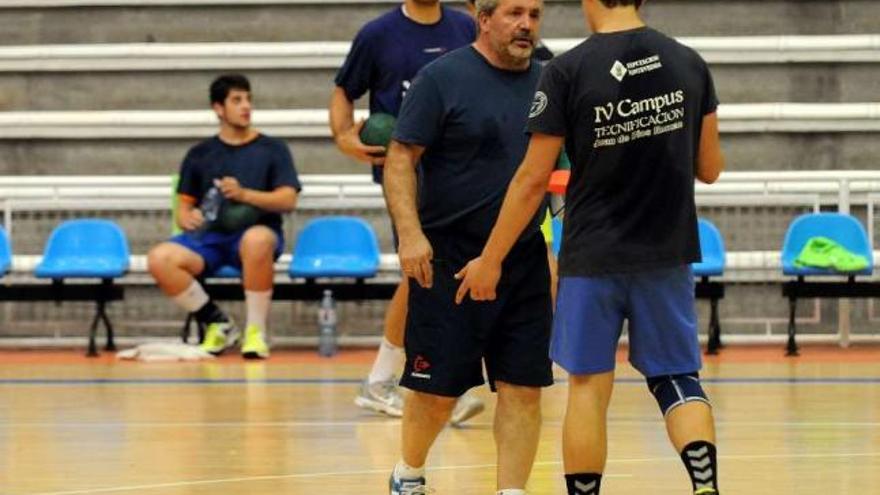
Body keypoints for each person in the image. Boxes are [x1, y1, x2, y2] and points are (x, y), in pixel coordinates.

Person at [455, 0, 726, 493]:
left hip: (592, 256)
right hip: (666, 251)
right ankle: (705, 487)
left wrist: (489, 258)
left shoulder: (566, 70)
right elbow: (710, 167)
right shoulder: (689, 62)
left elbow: (533, 178)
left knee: (586, 388)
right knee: (677, 379)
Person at [384, 1, 552, 494]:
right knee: (436, 392)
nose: (526, 25)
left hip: (521, 260)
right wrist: (411, 234)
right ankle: (408, 476)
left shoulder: (549, 82)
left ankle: (512, 491)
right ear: (483, 18)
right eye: (515, 13)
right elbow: (399, 159)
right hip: (449, 261)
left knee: (524, 389)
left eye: (536, 15)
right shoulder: (440, 78)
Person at [329, 0, 485, 425]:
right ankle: (382, 380)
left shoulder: (464, 25)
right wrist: (344, 137)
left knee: (454, 264)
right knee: (421, 267)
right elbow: (344, 91)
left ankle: (449, 380)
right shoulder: (378, 34)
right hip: (405, 170)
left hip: (459, 166)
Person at [148, 74, 301, 360]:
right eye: (237, 100)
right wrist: (186, 218)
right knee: (159, 258)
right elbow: (183, 206)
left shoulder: (273, 149)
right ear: (218, 108)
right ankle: (217, 322)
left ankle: (256, 332)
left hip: (255, 234)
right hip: (209, 239)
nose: (246, 106)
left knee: (256, 240)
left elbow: (288, 199)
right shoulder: (199, 154)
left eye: (248, 99)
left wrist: (245, 195)